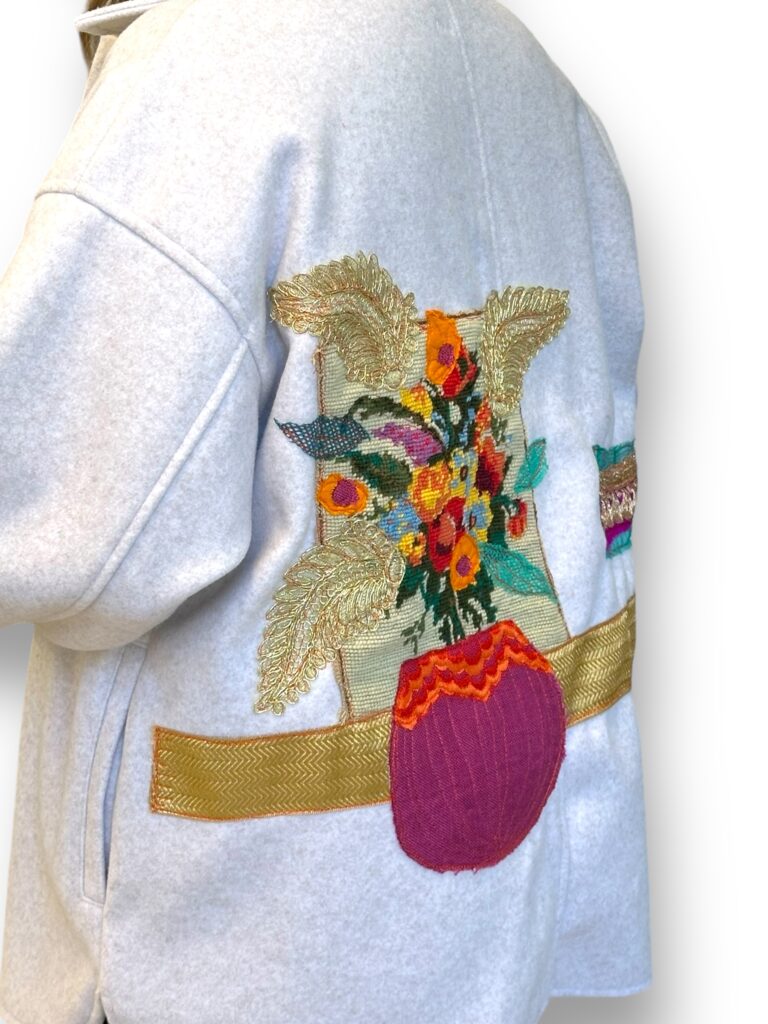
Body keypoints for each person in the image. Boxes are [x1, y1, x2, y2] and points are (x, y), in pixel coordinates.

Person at [0, 2, 652, 1022]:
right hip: (484, 915)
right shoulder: (536, 81)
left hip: (250, 941)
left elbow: (66, 531)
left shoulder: (207, 70)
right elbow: (597, 482)